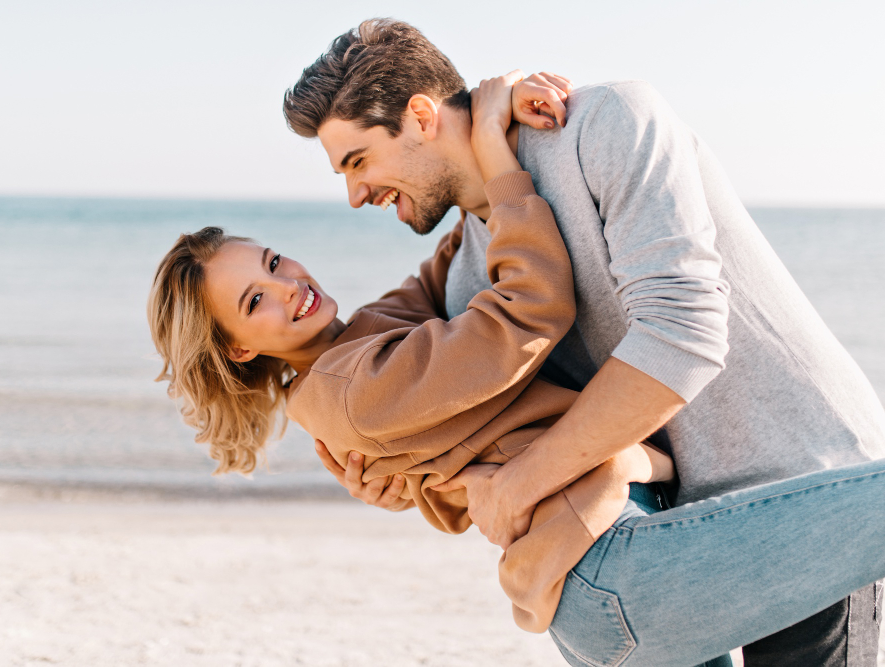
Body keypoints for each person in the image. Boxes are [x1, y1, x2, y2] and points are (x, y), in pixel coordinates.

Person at [150, 76, 885, 666]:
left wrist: (490, 117)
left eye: (272, 263)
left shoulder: (365, 337)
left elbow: (447, 273)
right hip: (615, 557)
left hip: (634, 539)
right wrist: (497, 162)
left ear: (419, 114)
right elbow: (527, 313)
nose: (352, 195)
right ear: (241, 347)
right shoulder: (347, 385)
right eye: (257, 299)